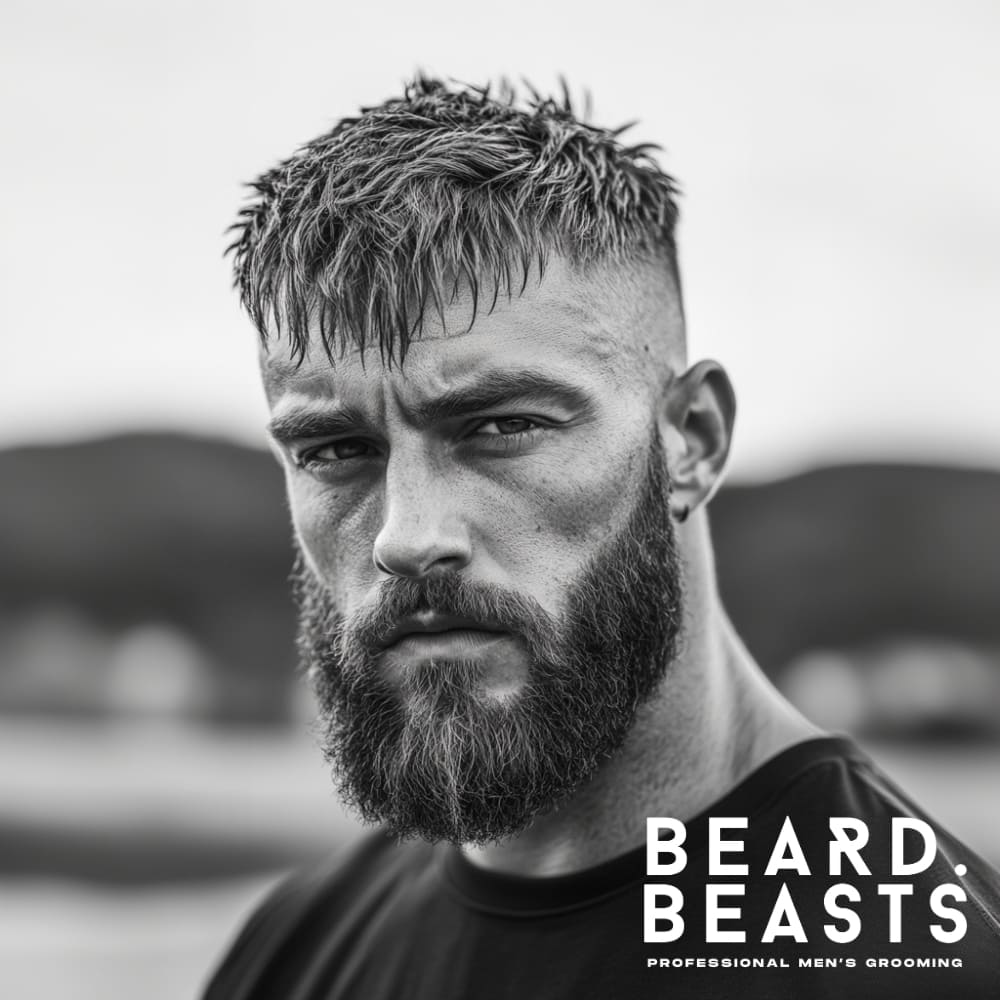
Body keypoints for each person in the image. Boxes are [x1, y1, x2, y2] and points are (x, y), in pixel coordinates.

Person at [204, 77, 1000, 998]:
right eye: (336, 450)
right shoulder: (295, 947)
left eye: (503, 426)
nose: (407, 537)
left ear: (692, 440)